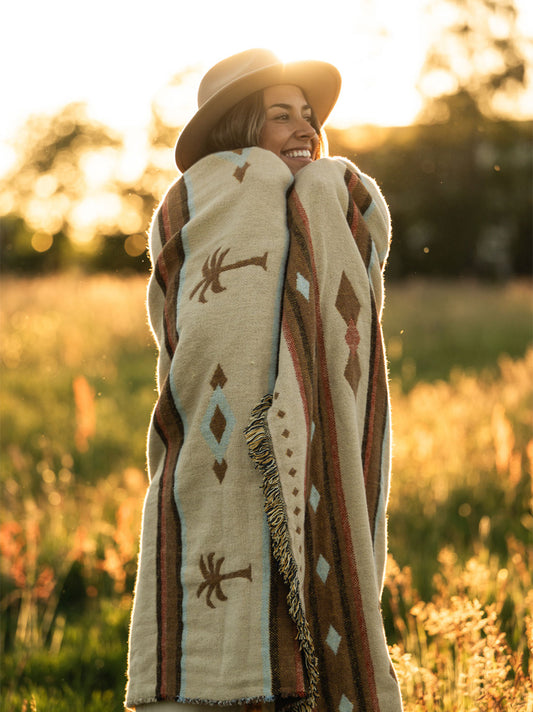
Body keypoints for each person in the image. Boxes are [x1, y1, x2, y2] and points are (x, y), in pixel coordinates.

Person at [126, 49, 403, 712]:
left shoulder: (329, 203)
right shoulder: (199, 205)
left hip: (315, 456)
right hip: (217, 453)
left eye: (308, 116)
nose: (305, 129)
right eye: (281, 115)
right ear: (238, 127)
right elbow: (192, 337)